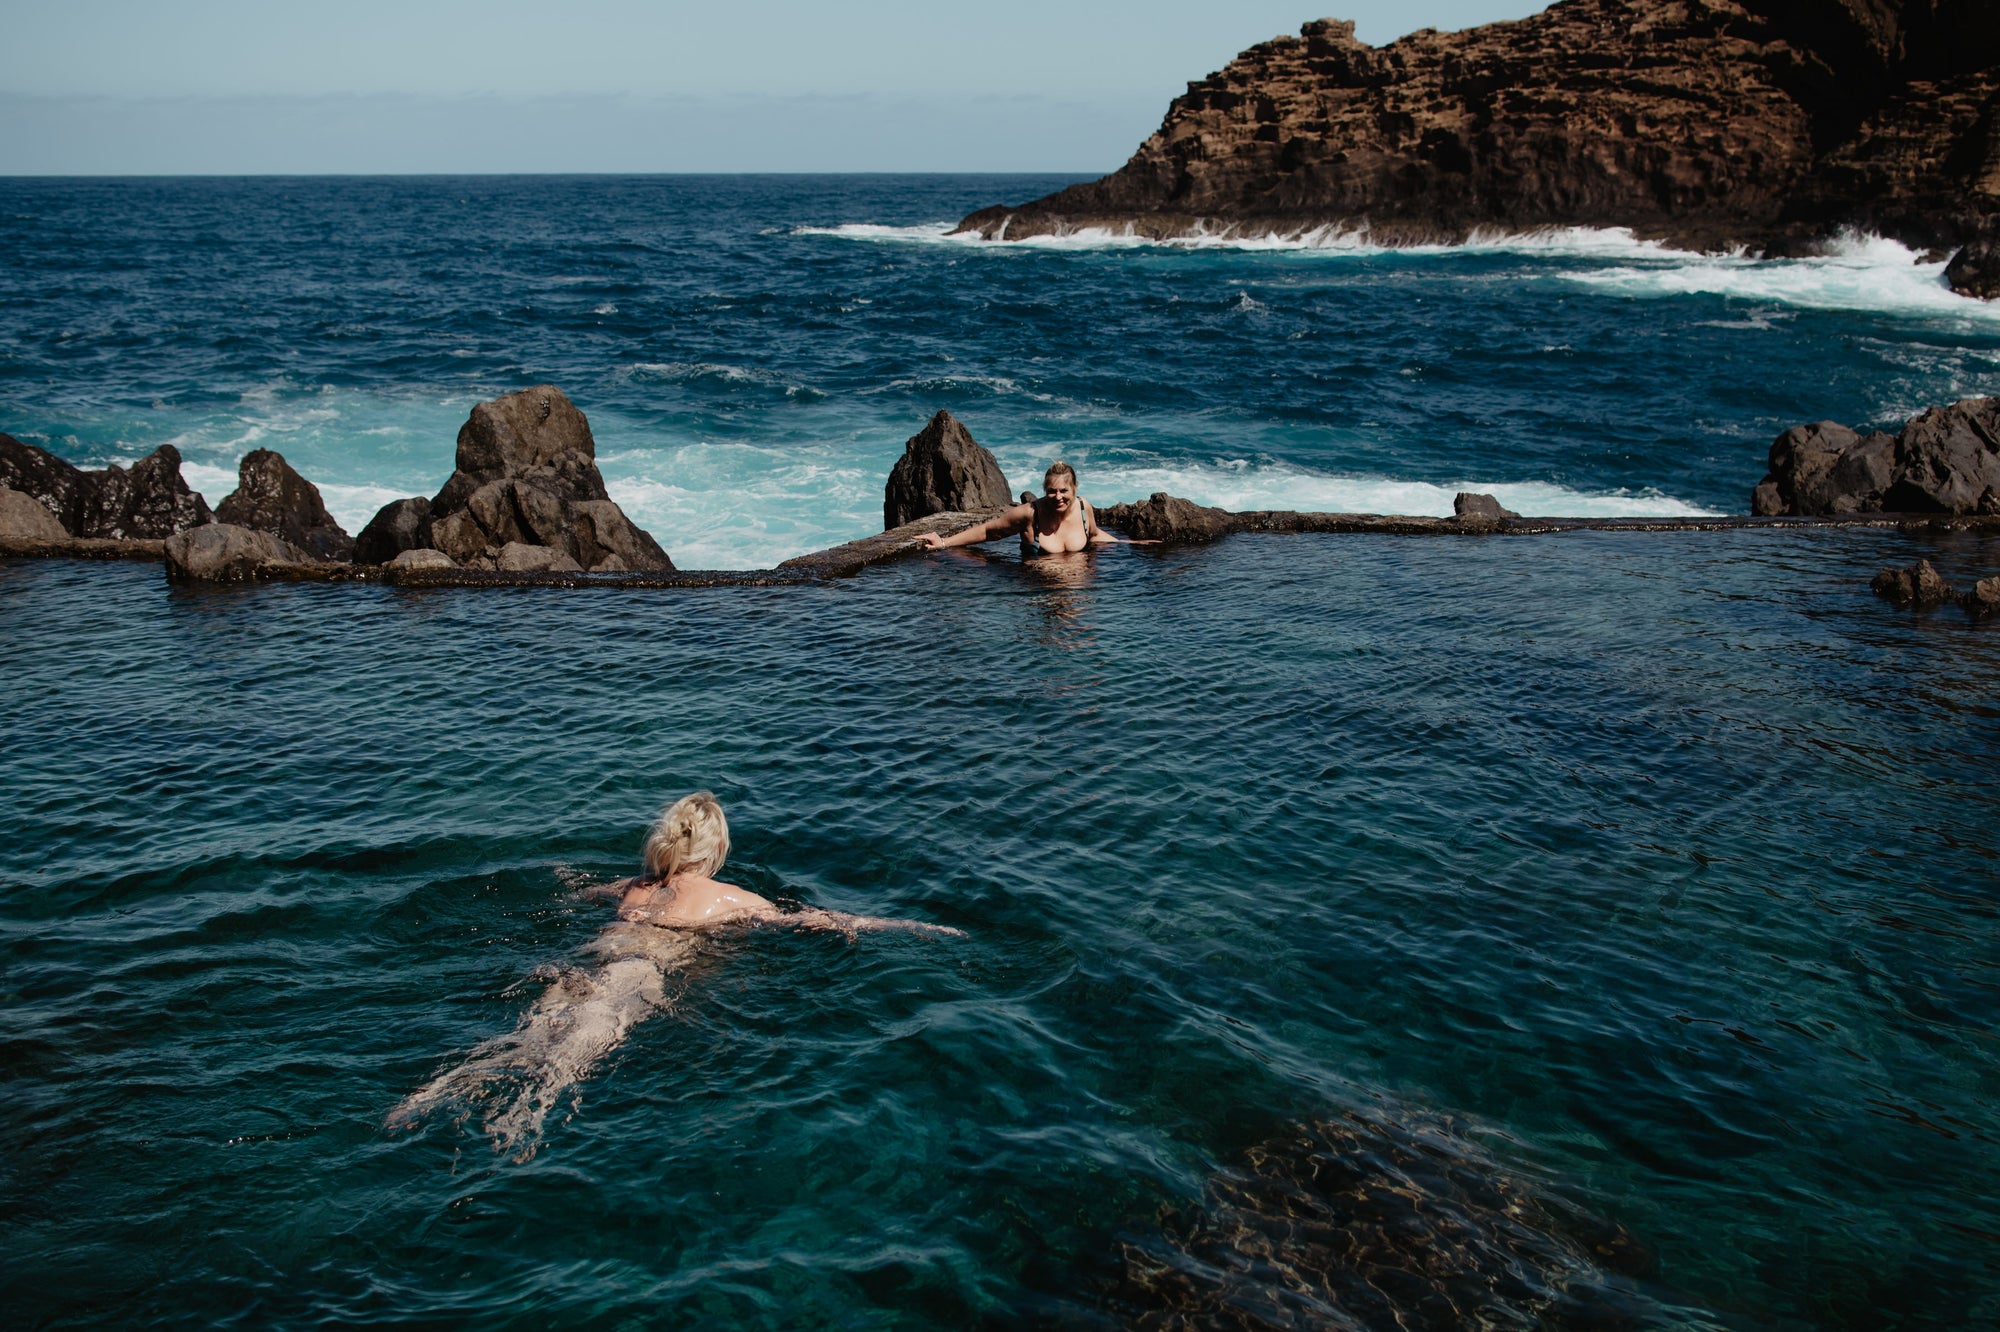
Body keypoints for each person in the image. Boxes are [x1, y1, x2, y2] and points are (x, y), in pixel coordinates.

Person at [388, 792, 960, 1158]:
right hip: (633, 980)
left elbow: (578, 889)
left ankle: (428, 1095)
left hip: (579, 968)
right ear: (715, 851)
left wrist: (567, 878)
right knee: (559, 1070)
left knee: (520, 1043)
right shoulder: (728, 898)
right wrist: (908, 926)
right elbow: (818, 918)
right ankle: (517, 1127)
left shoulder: (635, 887)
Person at [915, 461, 1148, 556]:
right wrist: (944, 543)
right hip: (1038, 594)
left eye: (1064, 491)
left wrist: (1131, 544)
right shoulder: (1030, 514)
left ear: (1074, 489)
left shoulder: (1083, 508)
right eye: (1051, 491)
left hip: (1078, 596)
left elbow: (1095, 536)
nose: (1058, 497)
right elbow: (989, 532)